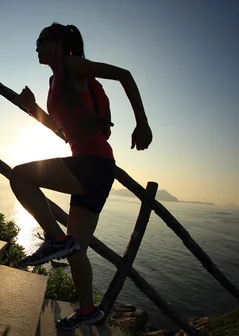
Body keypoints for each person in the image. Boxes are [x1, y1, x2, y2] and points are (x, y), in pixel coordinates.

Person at [11, 23, 153, 330]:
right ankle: (88, 311)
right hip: (95, 167)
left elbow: (124, 75)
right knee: (77, 252)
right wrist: (33, 108)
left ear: (58, 45)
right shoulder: (55, 80)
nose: (36, 47)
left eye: (41, 41)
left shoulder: (71, 65)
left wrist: (142, 123)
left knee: (20, 177)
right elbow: (64, 133)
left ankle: (54, 238)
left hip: (93, 163)